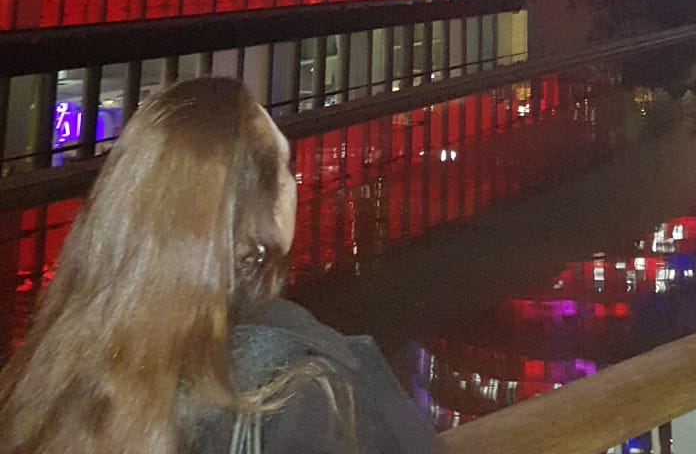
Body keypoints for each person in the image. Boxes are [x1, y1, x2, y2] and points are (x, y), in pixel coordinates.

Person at [0, 78, 436, 454]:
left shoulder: (48, 375)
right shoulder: (299, 394)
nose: (294, 185)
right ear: (258, 222)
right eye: (285, 168)